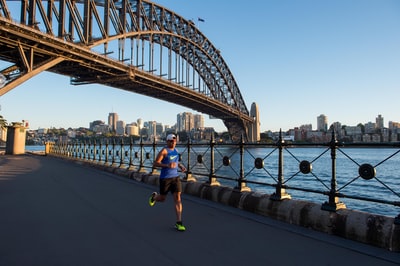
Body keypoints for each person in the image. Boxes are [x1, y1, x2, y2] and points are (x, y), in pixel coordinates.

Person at [149, 133, 187, 231]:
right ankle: (154, 197)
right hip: (165, 178)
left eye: (174, 140)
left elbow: (176, 161)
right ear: (167, 141)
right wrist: (167, 166)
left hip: (175, 177)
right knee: (162, 198)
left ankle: (179, 222)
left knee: (178, 198)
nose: (173, 142)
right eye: (171, 140)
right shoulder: (164, 151)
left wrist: (180, 166)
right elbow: (155, 163)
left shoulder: (176, 150)